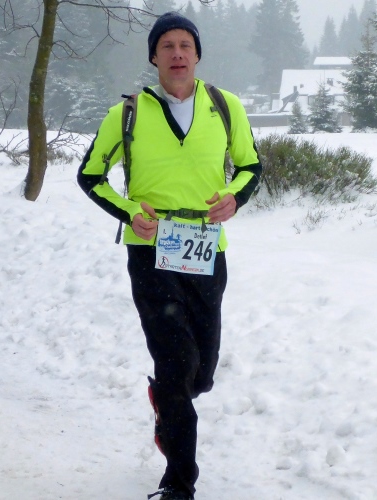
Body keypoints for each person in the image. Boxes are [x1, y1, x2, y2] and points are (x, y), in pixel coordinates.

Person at [77, 11, 262, 500]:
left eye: (185, 45)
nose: (177, 54)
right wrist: (128, 212)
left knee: (201, 373)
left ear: (197, 55)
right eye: (167, 46)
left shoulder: (225, 106)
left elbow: (250, 167)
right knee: (176, 364)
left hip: (206, 252)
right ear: (154, 57)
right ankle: (179, 483)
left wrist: (234, 199)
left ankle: (168, 397)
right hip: (150, 254)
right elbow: (90, 176)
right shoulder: (128, 114)